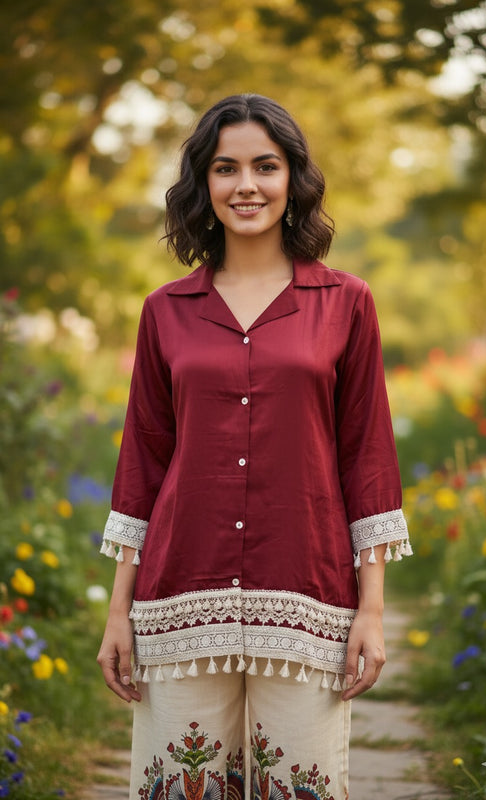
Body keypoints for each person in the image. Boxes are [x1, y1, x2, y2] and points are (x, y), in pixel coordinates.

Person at [97, 93, 412, 800]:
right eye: (225, 168)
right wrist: (118, 613)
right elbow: (142, 466)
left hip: (306, 597)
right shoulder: (165, 311)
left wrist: (370, 609)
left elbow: (366, 458)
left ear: (292, 180)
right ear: (202, 186)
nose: (246, 185)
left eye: (265, 166)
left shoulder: (346, 302)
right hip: (181, 595)